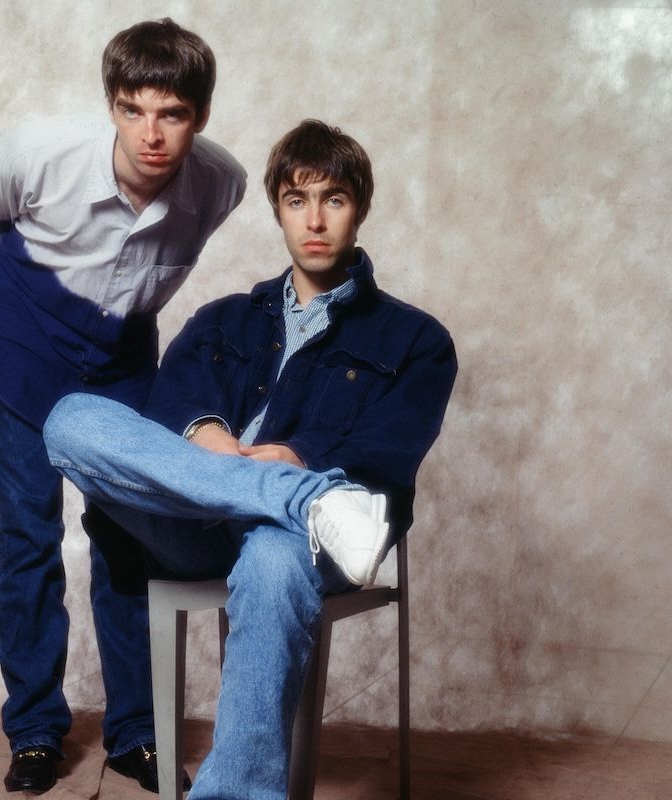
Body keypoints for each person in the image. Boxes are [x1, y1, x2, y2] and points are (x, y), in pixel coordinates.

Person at [42, 119, 457, 799]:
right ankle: (296, 496)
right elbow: (158, 421)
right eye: (298, 200)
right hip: (200, 521)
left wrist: (299, 454)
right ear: (277, 211)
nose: (315, 219)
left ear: (360, 209)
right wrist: (203, 429)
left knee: (270, 554)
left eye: (334, 199)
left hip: (310, 543)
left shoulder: (415, 340)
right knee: (71, 419)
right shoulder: (224, 319)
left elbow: (388, 457)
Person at [0, 18, 247, 794]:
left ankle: (138, 735)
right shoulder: (40, 154)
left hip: (123, 356)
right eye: (134, 110)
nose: (152, 134)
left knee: (130, 541)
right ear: (111, 105)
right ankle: (33, 731)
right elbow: (1, 216)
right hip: (22, 340)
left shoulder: (219, 184)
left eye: (174, 114)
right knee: (27, 540)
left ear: (200, 115)